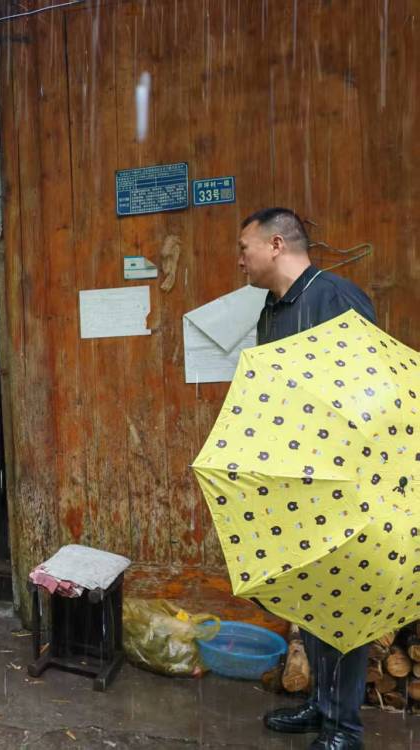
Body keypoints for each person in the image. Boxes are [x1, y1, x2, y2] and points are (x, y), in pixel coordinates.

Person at [238, 208, 375, 750]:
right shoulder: (271, 312)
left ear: (276, 244)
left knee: (344, 599)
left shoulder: (335, 297)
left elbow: (369, 385)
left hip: (342, 479)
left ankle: (347, 727)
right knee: (312, 597)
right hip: (296, 478)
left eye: (244, 246)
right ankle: (320, 705)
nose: (239, 258)